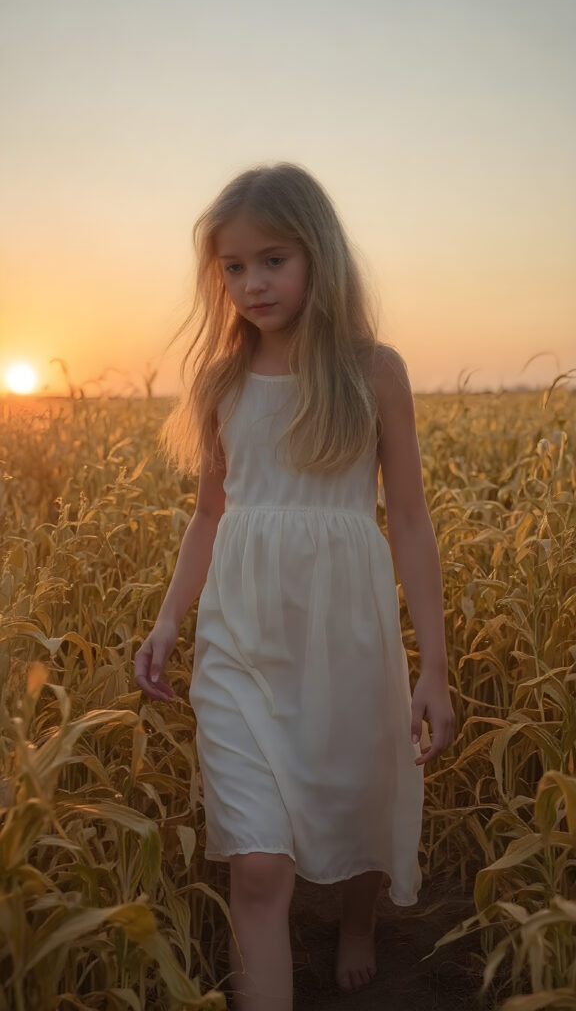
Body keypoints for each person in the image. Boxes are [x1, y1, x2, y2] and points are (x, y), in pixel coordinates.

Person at [134, 163, 455, 1011]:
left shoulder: (372, 372)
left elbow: (410, 521)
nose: (252, 284)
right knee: (258, 867)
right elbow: (209, 516)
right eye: (234, 267)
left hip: (343, 634)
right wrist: (169, 620)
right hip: (240, 642)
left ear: (318, 253)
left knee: (357, 796)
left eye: (272, 260)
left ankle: (358, 921)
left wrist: (434, 666)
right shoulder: (222, 382)